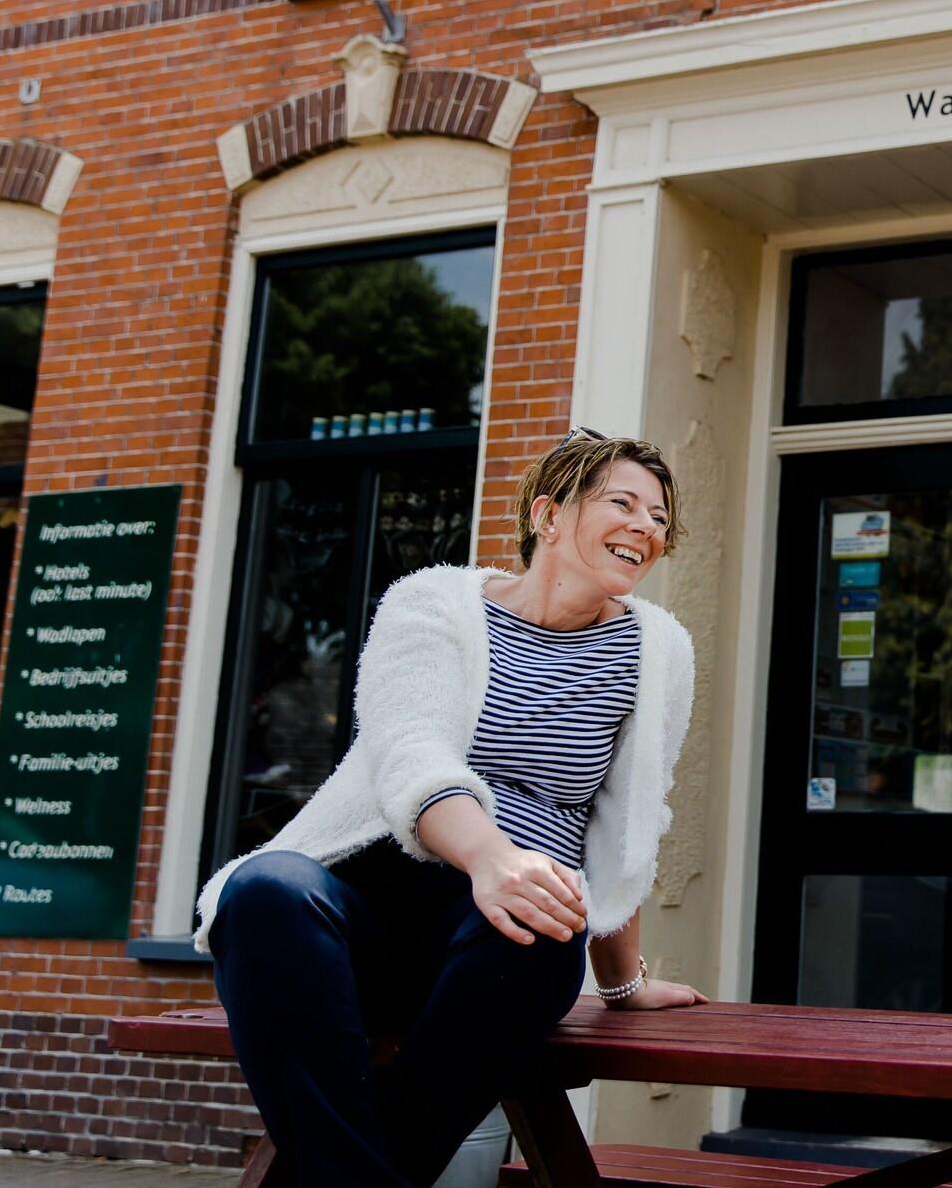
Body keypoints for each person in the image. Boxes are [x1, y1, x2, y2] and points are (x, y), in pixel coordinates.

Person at [193, 430, 707, 1186]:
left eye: (659, 517)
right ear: (549, 515)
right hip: (367, 911)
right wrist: (490, 857)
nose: (646, 527)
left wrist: (623, 983)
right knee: (264, 889)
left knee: (542, 926)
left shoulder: (657, 651)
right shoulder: (432, 603)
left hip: (500, 948)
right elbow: (412, 753)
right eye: (622, 503)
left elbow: (626, 823)